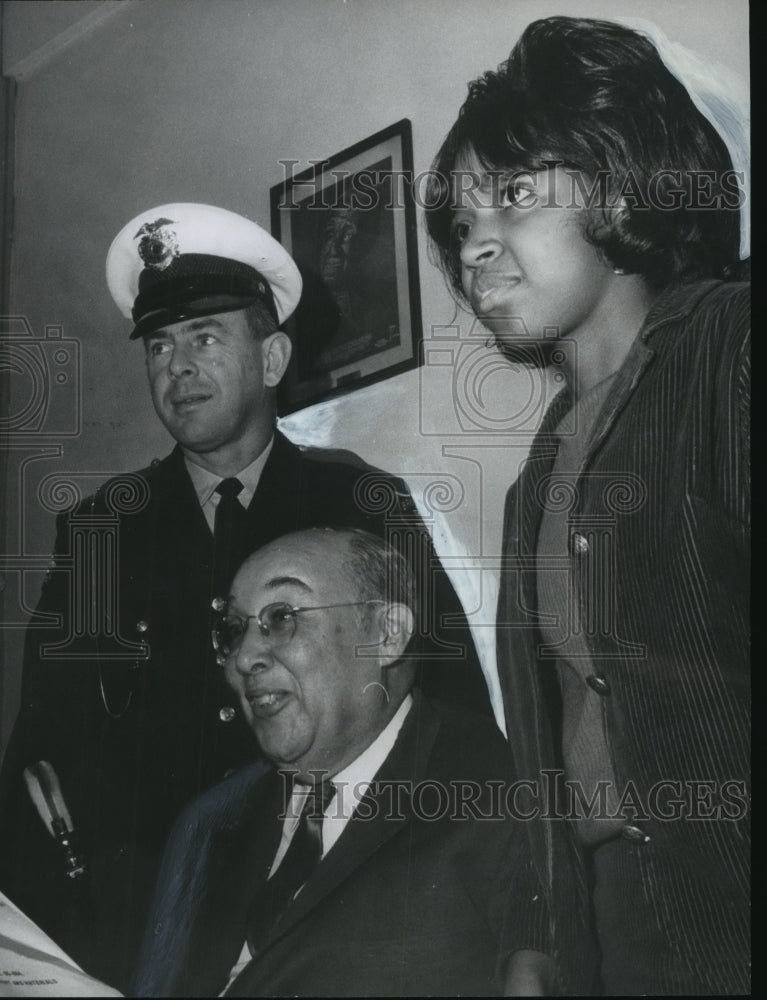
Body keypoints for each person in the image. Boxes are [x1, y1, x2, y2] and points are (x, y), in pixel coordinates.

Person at [0, 203, 489, 991]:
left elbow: (452, 709)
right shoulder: (100, 531)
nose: (176, 367)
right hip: (143, 931)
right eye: (159, 345)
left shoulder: (362, 502)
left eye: (203, 338)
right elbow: (40, 761)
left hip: (329, 904)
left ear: (271, 359)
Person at [425, 16, 749, 996]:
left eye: (512, 195)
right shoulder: (539, 472)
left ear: (614, 183)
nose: (474, 246)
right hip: (610, 928)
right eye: (461, 222)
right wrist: (545, 934)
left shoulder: (730, 352)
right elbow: (553, 747)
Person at [132, 527, 554, 997]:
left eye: (282, 616)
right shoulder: (208, 821)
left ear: (387, 635)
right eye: (234, 630)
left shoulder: (499, 790)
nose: (245, 657)